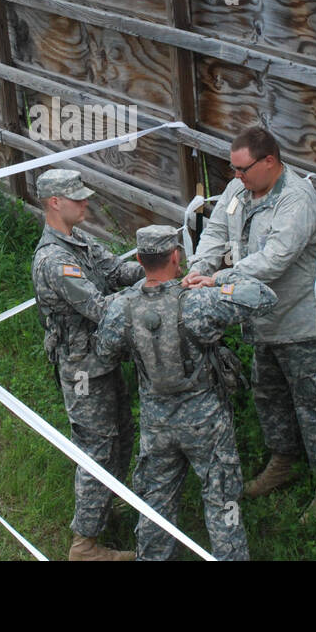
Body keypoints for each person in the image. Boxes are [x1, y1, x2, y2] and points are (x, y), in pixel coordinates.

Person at [184, 126, 316, 520]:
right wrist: (199, 268)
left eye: (242, 169)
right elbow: (217, 233)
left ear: (270, 161)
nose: (235, 177)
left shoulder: (297, 200)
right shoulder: (238, 191)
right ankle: (284, 461)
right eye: (233, 169)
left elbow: (274, 259)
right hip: (263, 321)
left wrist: (219, 279)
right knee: (270, 396)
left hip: (306, 322)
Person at [93, 225, 277, 561]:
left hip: (156, 422)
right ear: (177, 257)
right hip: (206, 421)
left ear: (139, 258)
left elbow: (105, 351)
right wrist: (217, 279)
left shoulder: (122, 308)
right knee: (224, 500)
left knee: (155, 500)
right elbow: (264, 297)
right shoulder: (199, 301)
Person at [31, 168, 144, 561]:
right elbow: (99, 307)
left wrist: (150, 264)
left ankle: (102, 511)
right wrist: (151, 287)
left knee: (123, 435)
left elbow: (114, 271)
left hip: (105, 357)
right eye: (76, 197)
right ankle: (84, 546)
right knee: (96, 446)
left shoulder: (80, 240)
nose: (85, 202)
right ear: (54, 203)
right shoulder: (53, 260)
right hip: (82, 369)